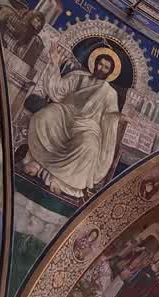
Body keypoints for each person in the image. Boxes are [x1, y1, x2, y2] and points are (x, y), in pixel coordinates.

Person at [22, 45, 124, 198]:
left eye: (106, 67)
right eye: (100, 64)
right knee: (44, 116)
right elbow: (57, 90)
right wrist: (55, 64)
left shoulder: (109, 93)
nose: (101, 68)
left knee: (90, 146)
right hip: (66, 114)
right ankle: (38, 162)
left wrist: (117, 117)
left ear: (110, 72)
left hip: (88, 126)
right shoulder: (78, 77)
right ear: (95, 63)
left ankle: (61, 181)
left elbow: (109, 116)